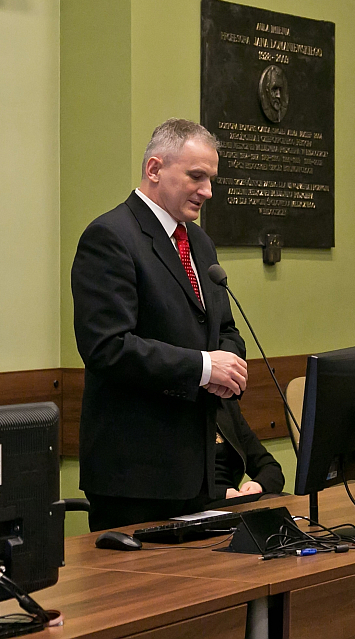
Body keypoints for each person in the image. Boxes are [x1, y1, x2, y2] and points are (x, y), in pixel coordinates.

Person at [71, 118, 250, 532]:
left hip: (199, 471)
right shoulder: (110, 236)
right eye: (196, 176)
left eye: (211, 179)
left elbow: (224, 329)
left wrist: (228, 366)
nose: (207, 191)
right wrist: (205, 368)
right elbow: (108, 347)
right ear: (154, 169)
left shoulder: (199, 242)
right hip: (136, 477)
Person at [213, 399, 283, 502]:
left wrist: (258, 485)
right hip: (198, 504)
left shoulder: (226, 404)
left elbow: (270, 468)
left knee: (281, 503)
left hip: (233, 500)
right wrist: (221, 494)